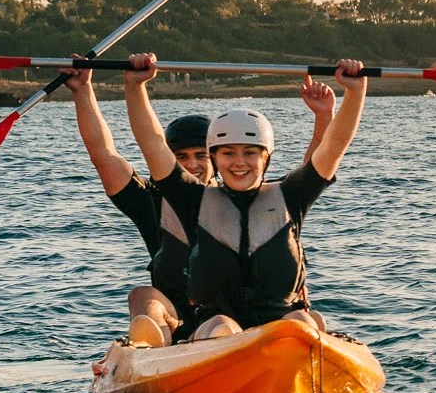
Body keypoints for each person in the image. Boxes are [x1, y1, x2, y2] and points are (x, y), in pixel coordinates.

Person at [65, 60, 333, 345]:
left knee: (309, 318)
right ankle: (155, 345)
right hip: (182, 320)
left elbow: (315, 168)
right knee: (142, 296)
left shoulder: (257, 200)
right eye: (181, 158)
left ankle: (304, 345)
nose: (192, 165)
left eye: (200, 156)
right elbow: (103, 155)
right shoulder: (152, 202)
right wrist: (83, 91)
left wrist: (323, 117)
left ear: (216, 158)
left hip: (255, 316)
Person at [128, 52, 366, 341]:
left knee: (300, 321)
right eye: (228, 153)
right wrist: (136, 87)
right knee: (222, 329)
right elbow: (152, 144)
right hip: (215, 331)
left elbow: (334, 145)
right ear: (214, 158)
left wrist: (355, 91)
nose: (239, 162)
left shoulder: (291, 195)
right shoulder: (193, 199)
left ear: (266, 158)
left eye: (250, 152)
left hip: (285, 329)